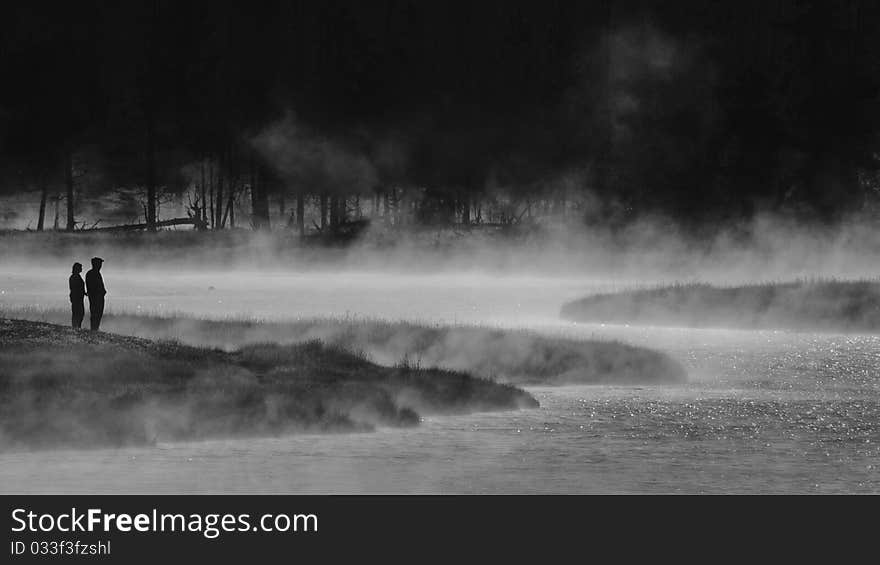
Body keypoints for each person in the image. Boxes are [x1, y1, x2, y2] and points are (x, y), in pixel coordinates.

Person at [85, 257, 107, 331]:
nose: (101, 265)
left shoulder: (95, 273)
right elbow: (92, 288)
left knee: (98, 314)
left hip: (98, 297)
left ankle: (95, 328)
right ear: (95, 264)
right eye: (99, 263)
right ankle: (94, 329)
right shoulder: (92, 273)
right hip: (96, 298)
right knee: (95, 314)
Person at [69, 262, 86, 329]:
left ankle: (77, 326)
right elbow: (75, 288)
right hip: (77, 298)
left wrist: (84, 292)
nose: (81, 269)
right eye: (80, 267)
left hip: (78, 297)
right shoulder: (74, 277)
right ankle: (76, 327)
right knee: (78, 313)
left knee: (79, 313)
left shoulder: (75, 276)